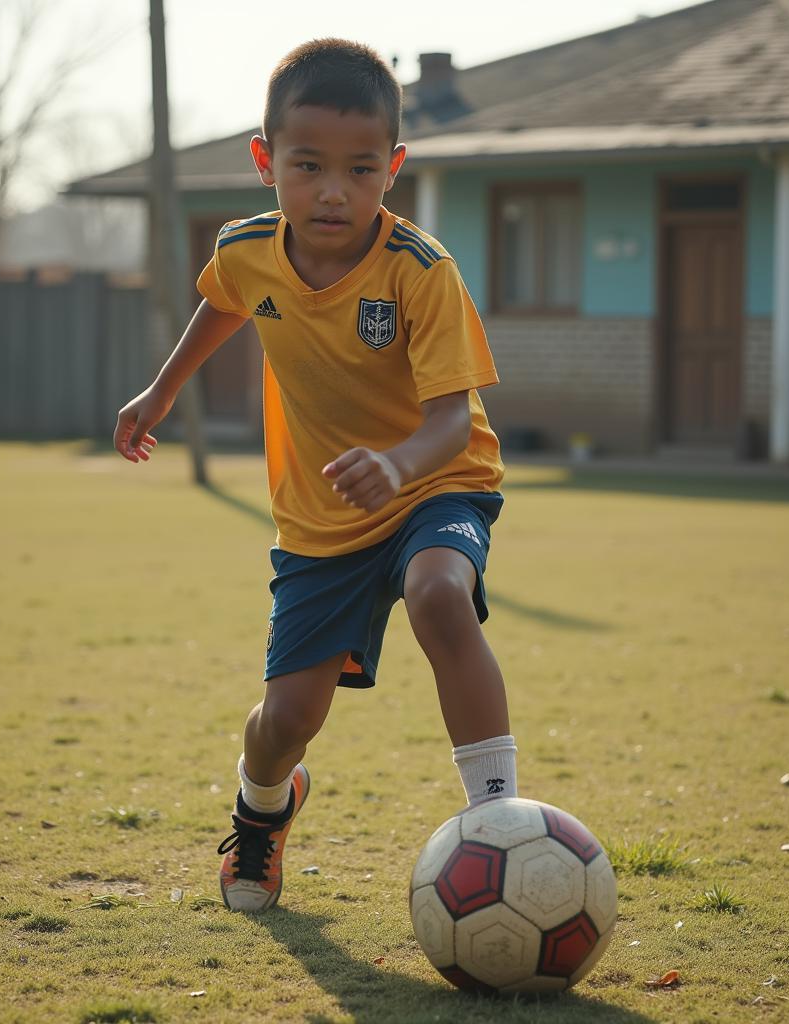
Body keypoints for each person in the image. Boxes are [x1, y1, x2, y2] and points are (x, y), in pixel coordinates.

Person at [113, 38, 517, 913]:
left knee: (442, 595)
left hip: (435, 479)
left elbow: (454, 416)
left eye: (361, 169)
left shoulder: (421, 271)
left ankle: (500, 822)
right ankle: (263, 810)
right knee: (287, 722)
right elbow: (225, 300)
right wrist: (159, 390)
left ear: (393, 169)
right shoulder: (249, 249)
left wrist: (397, 464)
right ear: (266, 161)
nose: (334, 190)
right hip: (320, 518)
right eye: (308, 166)